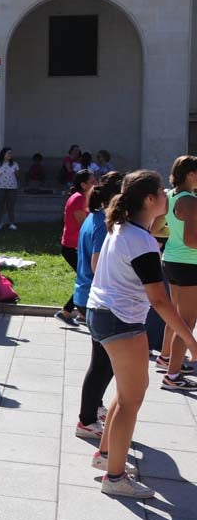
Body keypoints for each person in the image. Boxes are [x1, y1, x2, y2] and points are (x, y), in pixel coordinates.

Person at [86, 170, 197, 499]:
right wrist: (190, 341)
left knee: (126, 391)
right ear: (149, 200)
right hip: (120, 322)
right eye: (162, 193)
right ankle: (115, 477)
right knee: (132, 400)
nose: (167, 196)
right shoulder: (140, 241)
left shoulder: (124, 227)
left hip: (103, 315)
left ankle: (106, 455)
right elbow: (160, 300)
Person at [73, 170, 124, 440]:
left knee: (104, 362)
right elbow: (96, 264)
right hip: (96, 298)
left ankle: (94, 407)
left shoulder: (96, 218)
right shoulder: (104, 224)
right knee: (102, 364)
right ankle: (86, 419)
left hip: (89, 296)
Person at [158, 156, 197, 389]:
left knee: (175, 317)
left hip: (171, 260)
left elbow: (157, 227)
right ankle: (172, 376)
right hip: (188, 265)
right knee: (187, 321)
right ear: (191, 174)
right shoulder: (191, 201)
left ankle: (165, 358)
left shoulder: (170, 195)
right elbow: (191, 241)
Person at [56, 169, 95, 326]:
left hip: (74, 246)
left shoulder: (82, 198)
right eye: (93, 181)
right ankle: (66, 312)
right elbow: (84, 226)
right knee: (87, 280)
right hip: (72, 248)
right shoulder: (79, 199)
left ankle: (80, 314)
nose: (96, 183)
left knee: (86, 279)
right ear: (83, 185)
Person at [0, 147, 19, 230]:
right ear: (3, 154)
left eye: (11, 153)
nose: (10, 155)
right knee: (0, 205)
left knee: (11, 206)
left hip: (12, 188)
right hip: (0, 187)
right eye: (8, 153)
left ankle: (12, 223)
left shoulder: (14, 164)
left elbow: (17, 175)